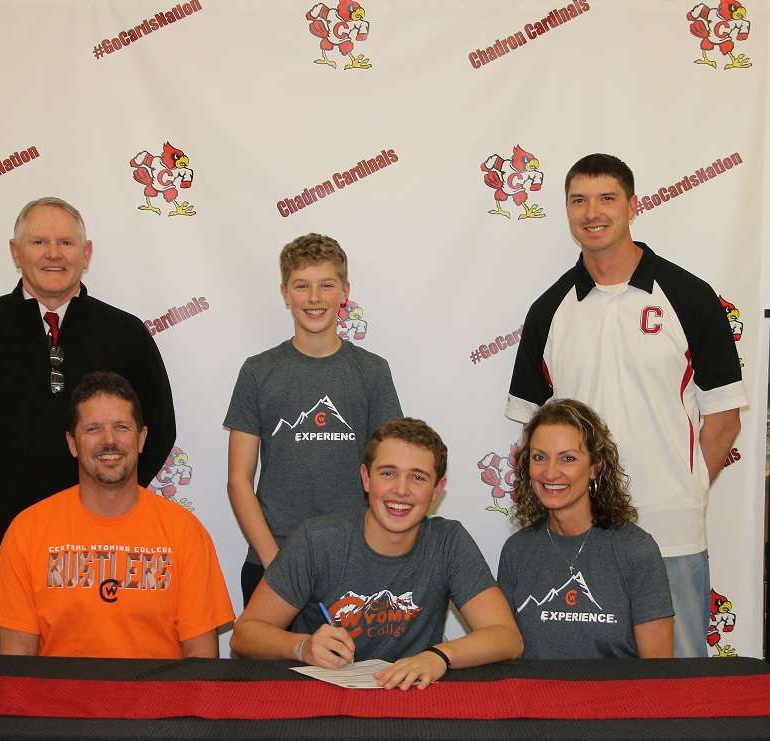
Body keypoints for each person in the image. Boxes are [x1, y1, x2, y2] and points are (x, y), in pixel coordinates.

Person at [505, 154, 746, 657]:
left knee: (678, 691)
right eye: (579, 200)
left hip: (670, 529)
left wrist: (689, 488)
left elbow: (723, 417)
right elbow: (534, 430)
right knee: (588, 685)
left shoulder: (691, 296)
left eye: (607, 198)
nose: (592, 212)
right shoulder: (549, 310)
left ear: (633, 205)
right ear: (567, 210)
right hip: (579, 534)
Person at [0, 197, 176, 653]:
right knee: (11, 677)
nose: (53, 253)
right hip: (3, 532)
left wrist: (114, 496)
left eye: (65, 242)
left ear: (87, 252)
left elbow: (158, 426)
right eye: (38, 241)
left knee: (100, 662)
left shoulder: (125, 332)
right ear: (16, 252)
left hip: (104, 540)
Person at [230, 418, 523, 690]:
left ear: (437, 490)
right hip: (324, 700)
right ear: (366, 478)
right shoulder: (317, 540)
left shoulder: (448, 542)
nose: (401, 490)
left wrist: (439, 657)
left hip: (411, 700)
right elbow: (245, 635)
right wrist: (301, 646)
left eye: (418, 478)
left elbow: (507, 637)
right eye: (388, 473)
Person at [0, 372, 233, 658]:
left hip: (156, 702)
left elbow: (200, 666)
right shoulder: (27, 532)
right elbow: (16, 668)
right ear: (72, 443)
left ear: (141, 438)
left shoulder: (184, 533)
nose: (109, 441)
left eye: (121, 427)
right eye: (93, 429)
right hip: (58, 703)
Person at [224, 233, 402, 605]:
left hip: (354, 559)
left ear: (344, 292)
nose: (315, 298)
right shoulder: (258, 372)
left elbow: (390, 471)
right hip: (272, 560)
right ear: (285, 293)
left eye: (326, 285)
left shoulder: (372, 372)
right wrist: (277, 565)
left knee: (358, 666)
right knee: (268, 665)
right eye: (302, 286)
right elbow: (239, 480)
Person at [497, 399, 674, 659]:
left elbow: (658, 672)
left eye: (567, 458)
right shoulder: (517, 551)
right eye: (539, 457)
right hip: (534, 700)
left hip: (618, 700)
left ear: (595, 466)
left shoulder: (636, 550)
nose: (551, 472)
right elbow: (505, 653)